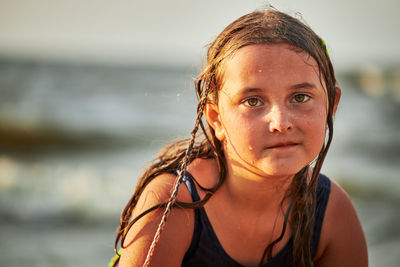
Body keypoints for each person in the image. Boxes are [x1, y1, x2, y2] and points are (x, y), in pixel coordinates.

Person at [111, 8, 368, 267]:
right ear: (216, 119)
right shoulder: (175, 205)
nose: (281, 123)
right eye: (253, 101)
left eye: (300, 97)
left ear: (331, 107)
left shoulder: (331, 211)